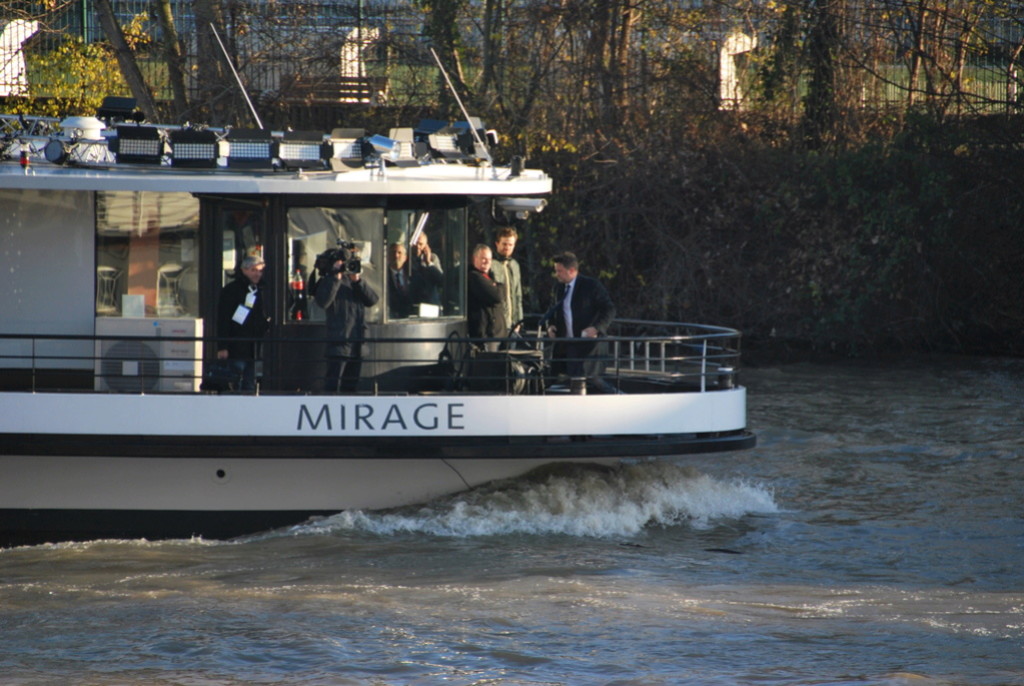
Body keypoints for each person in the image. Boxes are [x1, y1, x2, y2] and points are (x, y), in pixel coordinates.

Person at [542, 251, 616, 393]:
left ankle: (616, 396)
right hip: (568, 344)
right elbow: (552, 310)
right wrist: (550, 326)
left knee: (593, 379)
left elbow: (609, 308)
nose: (556, 274)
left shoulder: (591, 286)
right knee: (569, 378)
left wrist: (596, 328)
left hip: (588, 344)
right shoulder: (558, 288)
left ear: (572, 271)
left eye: (560, 271)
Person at [315, 251, 379, 393]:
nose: (346, 267)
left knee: (351, 388)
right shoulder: (328, 281)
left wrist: (357, 280)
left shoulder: (354, 281)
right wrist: (335, 277)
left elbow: (372, 300)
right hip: (338, 343)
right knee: (333, 387)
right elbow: (323, 301)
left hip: (357, 343)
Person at [216, 255, 270, 391]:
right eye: (253, 270)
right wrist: (222, 346)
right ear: (244, 270)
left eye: (260, 270)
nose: (257, 274)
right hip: (236, 344)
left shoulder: (263, 289)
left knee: (251, 383)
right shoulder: (231, 290)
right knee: (235, 381)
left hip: (256, 346)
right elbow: (223, 318)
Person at [387, 239, 444, 318]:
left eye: (399, 253)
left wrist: (428, 262)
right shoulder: (383, 276)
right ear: (387, 256)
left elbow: (441, 281)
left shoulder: (414, 273)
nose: (396, 256)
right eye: (393, 253)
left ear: (405, 257)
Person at [467, 244, 507, 351]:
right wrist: (499, 286)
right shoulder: (474, 277)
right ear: (475, 259)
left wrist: (495, 285)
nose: (487, 262)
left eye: (489, 259)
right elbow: (497, 296)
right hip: (487, 335)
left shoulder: (488, 277)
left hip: (497, 334)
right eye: (483, 259)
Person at [491, 226, 523, 333]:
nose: (507, 247)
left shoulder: (515, 265)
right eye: (504, 244)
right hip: (496, 323)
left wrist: (519, 321)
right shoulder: (490, 264)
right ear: (497, 243)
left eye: (510, 245)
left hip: (513, 325)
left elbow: (518, 295)